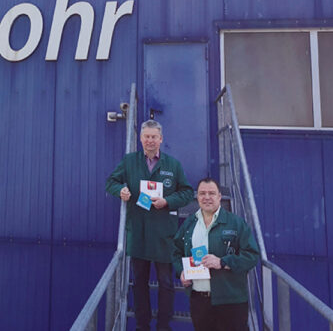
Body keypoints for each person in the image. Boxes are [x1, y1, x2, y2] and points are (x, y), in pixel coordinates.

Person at [106, 120, 194, 331]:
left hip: (164, 234)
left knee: (165, 283)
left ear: (161, 139)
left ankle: (164, 326)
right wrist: (121, 191)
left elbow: (187, 192)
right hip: (139, 232)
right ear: (141, 139)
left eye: (154, 137)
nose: (150, 141)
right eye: (146, 136)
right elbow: (111, 181)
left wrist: (168, 202)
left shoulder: (173, 165)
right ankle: (142, 325)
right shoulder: (129, 161)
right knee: (139, 283)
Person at [172, 178, 259, 331]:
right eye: (202, 193)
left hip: (231, 301)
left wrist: (222, 262)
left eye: (211, 193)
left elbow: (251, 256)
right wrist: (181, 272)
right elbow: (176, 252)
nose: (207, 197)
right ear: (197, 197)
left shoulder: (236, 223)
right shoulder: (189, 224)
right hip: (199, 301)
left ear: (219, 196)